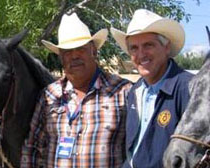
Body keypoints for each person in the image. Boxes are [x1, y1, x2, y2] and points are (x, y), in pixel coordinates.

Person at [20, 13, 132, 168]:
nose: (73, 56)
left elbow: (136, 150)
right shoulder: (49, 95)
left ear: (94, 51)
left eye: (80, 49)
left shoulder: (122, 91)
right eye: (66, 51)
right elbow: (32, 148)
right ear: (60, 58)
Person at [111, 9, 194, 167]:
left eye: (148, 45)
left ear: (166, 47)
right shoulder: (134, 91)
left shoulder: (188, 87)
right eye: (134, 48)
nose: (141, 54)